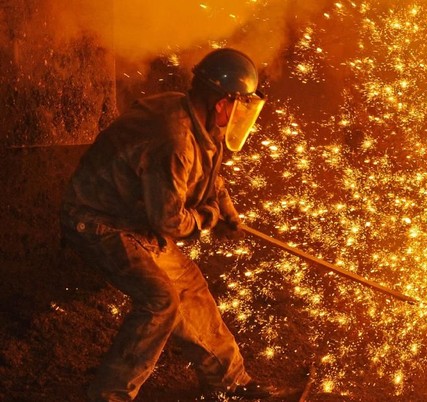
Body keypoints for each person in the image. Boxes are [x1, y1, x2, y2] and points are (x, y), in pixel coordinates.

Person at [60, 48, 281, 401]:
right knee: (160, 299)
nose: (238, 116)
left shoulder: (193, 116)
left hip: (132, 221)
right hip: (96, 221)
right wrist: (209, 218)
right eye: (239, 106)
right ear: (223, 102)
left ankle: (231, 385)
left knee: (189, 287)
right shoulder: (174, 139)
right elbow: (169, 220)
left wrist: (225, 209)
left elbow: (209, 177)